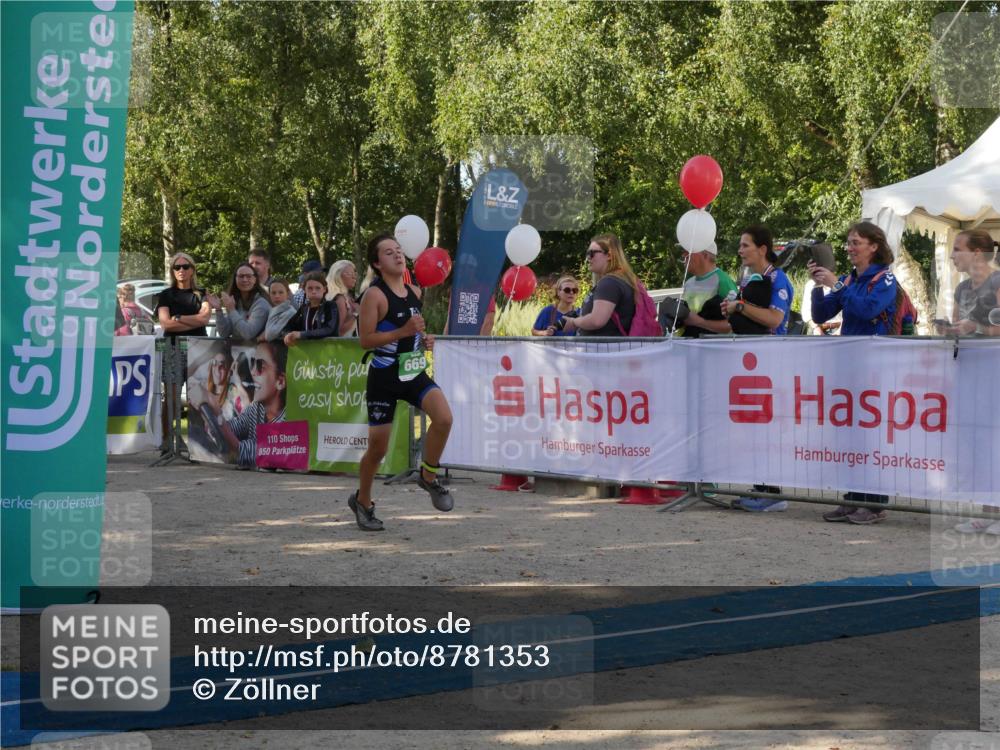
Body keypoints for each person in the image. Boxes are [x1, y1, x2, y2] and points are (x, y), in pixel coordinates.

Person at [349, 232, 456, 531]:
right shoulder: (374, 295)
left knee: (445, 418)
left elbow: (413, 330)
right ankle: (363, 501)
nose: (397, 255)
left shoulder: (415, 292)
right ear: (376, 263)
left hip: (412, 373)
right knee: (377, 450)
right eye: (388, 252)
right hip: (384, 377)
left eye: (399, 250)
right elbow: (365, 340)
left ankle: (428, 477)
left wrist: (425, 338)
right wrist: (404, 332)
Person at [809, 220, 897, 524]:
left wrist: (835, 285)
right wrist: (820, 287)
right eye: (848, 242)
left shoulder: (885, 279)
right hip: (848, 367)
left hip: (874, 368)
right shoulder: (848, 279)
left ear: (874, 246)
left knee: (870, 437)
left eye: (856, 242)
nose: (849, 248)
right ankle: (852, 497)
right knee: (848, 436)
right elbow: (821, 315)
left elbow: (867, 310)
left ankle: (874, 504)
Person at [722, 226, 795, 512]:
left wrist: (739, 307)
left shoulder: (778, 278)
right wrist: (731, 310)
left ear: (762, 249)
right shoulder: (748, 278)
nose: (740, 250)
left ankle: (773, 492)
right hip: (751, 360)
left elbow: (775, 319)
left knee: (768, 426)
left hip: (772, 359)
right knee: (754, 426)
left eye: (745, 245)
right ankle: (760, 485)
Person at [156, 252, 211, 451]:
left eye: (185, 267)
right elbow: (165, 323)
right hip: (172, 349)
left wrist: (178, 318)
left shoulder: (201, 293)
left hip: (198, 349)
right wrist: (191, 319)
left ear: (192, 269)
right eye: (176, 267)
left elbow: (204, 319)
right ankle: (168, 439)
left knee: (197, 397)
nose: (181, 270)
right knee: (171, 396)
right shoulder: (166, 294)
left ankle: (197, 442)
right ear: (172, 271)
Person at [562, 234, 637, 336]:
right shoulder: (619, 280)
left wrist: (574, 322)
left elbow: (597, 320)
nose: (588, 258)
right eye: (587, 253)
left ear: (609, 255)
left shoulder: (609, 283)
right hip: (608, 349)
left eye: (592, 253)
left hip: (603, 350)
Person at [937, 229, 1000, 337]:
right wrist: (949, 330)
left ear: (976, 253)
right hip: (966, 353)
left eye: (957, 249)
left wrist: (976, 327)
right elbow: (958, 330)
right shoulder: (961, 288)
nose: (952, 256)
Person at [673, 241, 737, 337]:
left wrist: (700, 322)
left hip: (712, 349)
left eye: (688, 251)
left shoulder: (723, 281)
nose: (684, 254)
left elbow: (734, 324)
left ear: (705, 255)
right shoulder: (689, 283)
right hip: (687, 347)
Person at [212, 263, 271, 344]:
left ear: (255, 279)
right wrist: (218, 310)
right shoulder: (234, 301)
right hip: (237, 352)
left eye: (248, 276)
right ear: (235, 279)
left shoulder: (261, 304)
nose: (245, 280)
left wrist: (232, 310)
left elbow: (248, 333)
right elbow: (224, 333)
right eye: (241, 276)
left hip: (258, 353)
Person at [282, 271, 340, 345]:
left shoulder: (330, 306)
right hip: (307, 353)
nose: (314, 291)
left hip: (327, 352)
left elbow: (329, 329)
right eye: (310, 288)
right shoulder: (303, 309)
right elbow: (287, 327)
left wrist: (302, 334)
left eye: (317, 288)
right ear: (304, 290)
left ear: (324, 289)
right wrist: (287, 335)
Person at [326, 259, 361, 337]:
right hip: (343, 346)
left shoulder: (351, 297)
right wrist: (356, 314)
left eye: (355, 273)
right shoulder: (340, 299)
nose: (354, 277)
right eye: (349, 274)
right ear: (337, 276)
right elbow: (337, 331)